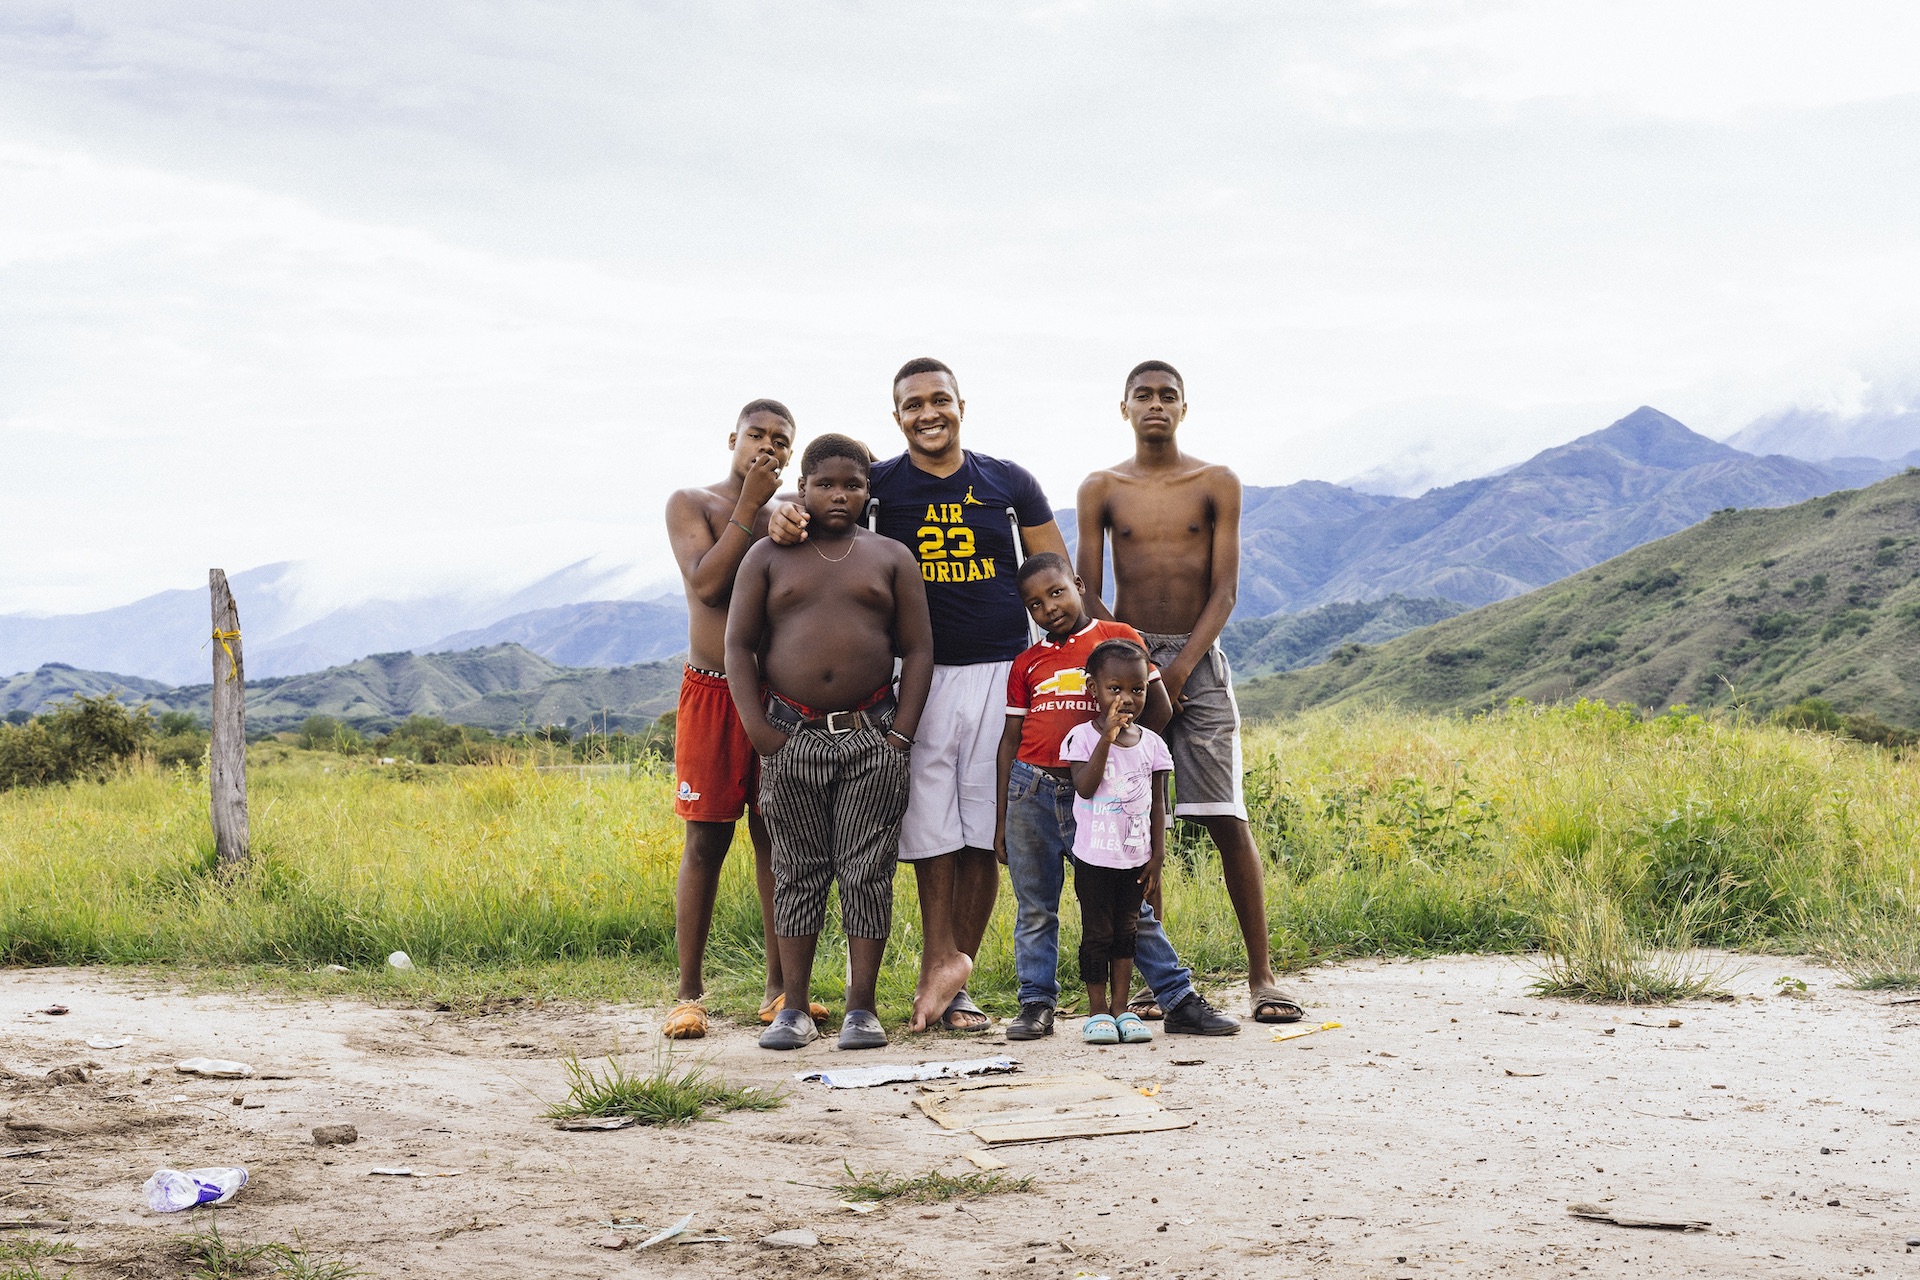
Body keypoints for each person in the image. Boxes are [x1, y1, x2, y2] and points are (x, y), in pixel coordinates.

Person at [769, 357, 1072, 1033]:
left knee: (983, 828)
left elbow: (1056, 573)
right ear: (896, 417)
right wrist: (780, 513)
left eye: (940, 400)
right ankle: (938, 956)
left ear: (963, 403)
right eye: (912, 406)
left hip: (1004, 670)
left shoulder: (1008, 481)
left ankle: (956, 975)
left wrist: (1087, 655)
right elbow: (816, 494)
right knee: (930, 827)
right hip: (917, 675)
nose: (927, 414)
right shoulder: (879, 485)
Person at [1075, 360, 1304, 1024]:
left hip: (1196, 662)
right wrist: (1134, 664)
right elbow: (1088, 590)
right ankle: (1155, 984)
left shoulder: (1215, 482)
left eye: (1166, 396)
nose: (1155, 405)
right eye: (1142, 396)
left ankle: (1263, 977)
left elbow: (1225, 589)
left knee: (1225, 815)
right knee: (1137, 825)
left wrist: (1174, 671)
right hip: (1125, 658)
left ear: (1184, 407)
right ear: (1123, 408)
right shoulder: (1101, 489)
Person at [724, 433, 935, 1050]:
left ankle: (861, 1009)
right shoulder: (767, 555)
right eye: (826, 484)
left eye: (854, 484)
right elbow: (739, 646)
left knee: (867, 871)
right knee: (796, 871)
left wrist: (901, 735)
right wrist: (761, 732)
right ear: (803, 489)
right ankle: (792, 1008)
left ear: (870, 491)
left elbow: (918, 649)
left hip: (872, 736)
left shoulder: (890, 556)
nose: (840, 495)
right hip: (790, 735)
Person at [993, 553, 1240, 1040]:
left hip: (1104, 797)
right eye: (1035, 604)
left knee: (1130, 906)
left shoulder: (1117, 637)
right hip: (1034, 790)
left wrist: (1125, 761)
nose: (1049, 608)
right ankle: (1036, 1004)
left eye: (1057, 592)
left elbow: (1159, 710)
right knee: (1037, 907)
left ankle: (1178, 1000)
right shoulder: (1028, 662)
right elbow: (1010, 739)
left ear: (1079, 585)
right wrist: (1001, 817)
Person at [660, 399, 816, 1039]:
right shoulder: (691, 502)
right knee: (705, 840)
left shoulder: (787, 517)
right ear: (733, 437)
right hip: (712, 690)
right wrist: (751, 504)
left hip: (772, 691)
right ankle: (689, 994)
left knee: (774, 836)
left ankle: (780, 990)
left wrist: (775, 512)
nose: (768, 448)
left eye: (781, 441)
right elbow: (706, 584)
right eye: (757, 435)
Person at [1061, 639, 1171, 1045]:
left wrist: (1157, 856)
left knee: (1127, 933)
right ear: (1093, 689)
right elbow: (1086, 788)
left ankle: (1122, 1008)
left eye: (1137, 689)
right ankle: (1096, 1012)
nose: (1127, 698)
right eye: (1115, 689)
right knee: (1098, 933)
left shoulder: (1154, 745)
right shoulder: (1082, 738)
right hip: (1094, 858)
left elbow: (1158, 804)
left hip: (1136, 858)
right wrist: (1107, 738)